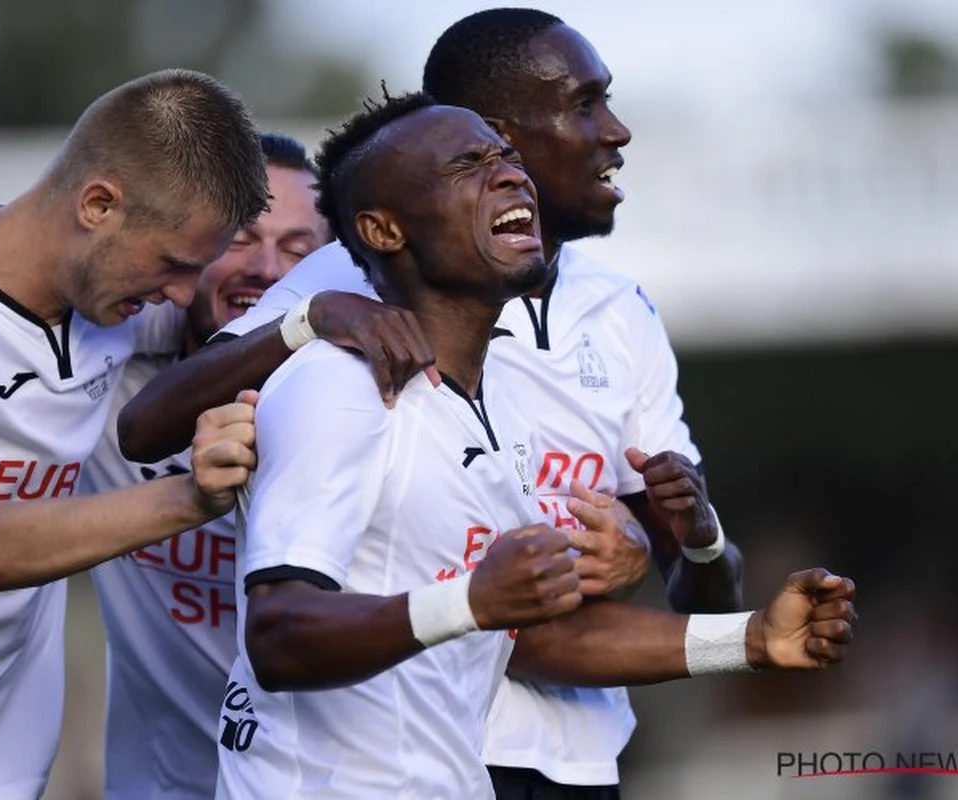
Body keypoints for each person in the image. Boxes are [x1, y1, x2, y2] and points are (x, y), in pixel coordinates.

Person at [119, 10, 741, 797]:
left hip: (576, 758)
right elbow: (146, 429)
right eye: (585, 105)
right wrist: (309, 323)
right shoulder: (349, 285)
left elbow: (687, 581)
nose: (614, 131)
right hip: (415, 747)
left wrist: (688, 549)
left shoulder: (621, 313)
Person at [215, 92, 856, 799]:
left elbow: (535, 639)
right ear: (383, 229)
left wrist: (753, 639)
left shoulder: (501, 410)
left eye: (507, 158)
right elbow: (277, 634)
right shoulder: (337, 386)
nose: (511, 177)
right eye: (468, 165)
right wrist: (472, 600)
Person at [0, 69, 266, 799]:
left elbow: (244, 314)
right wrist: (191, 498)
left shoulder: (112, 310)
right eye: (172, 265)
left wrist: (320, 316)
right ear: (99, 204)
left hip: (4, 775)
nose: (182, 297)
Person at [81, 132, 330, 800]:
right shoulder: (103, 377)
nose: (270, 271)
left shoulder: (375, 405)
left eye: (300, 250)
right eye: (241, 240)